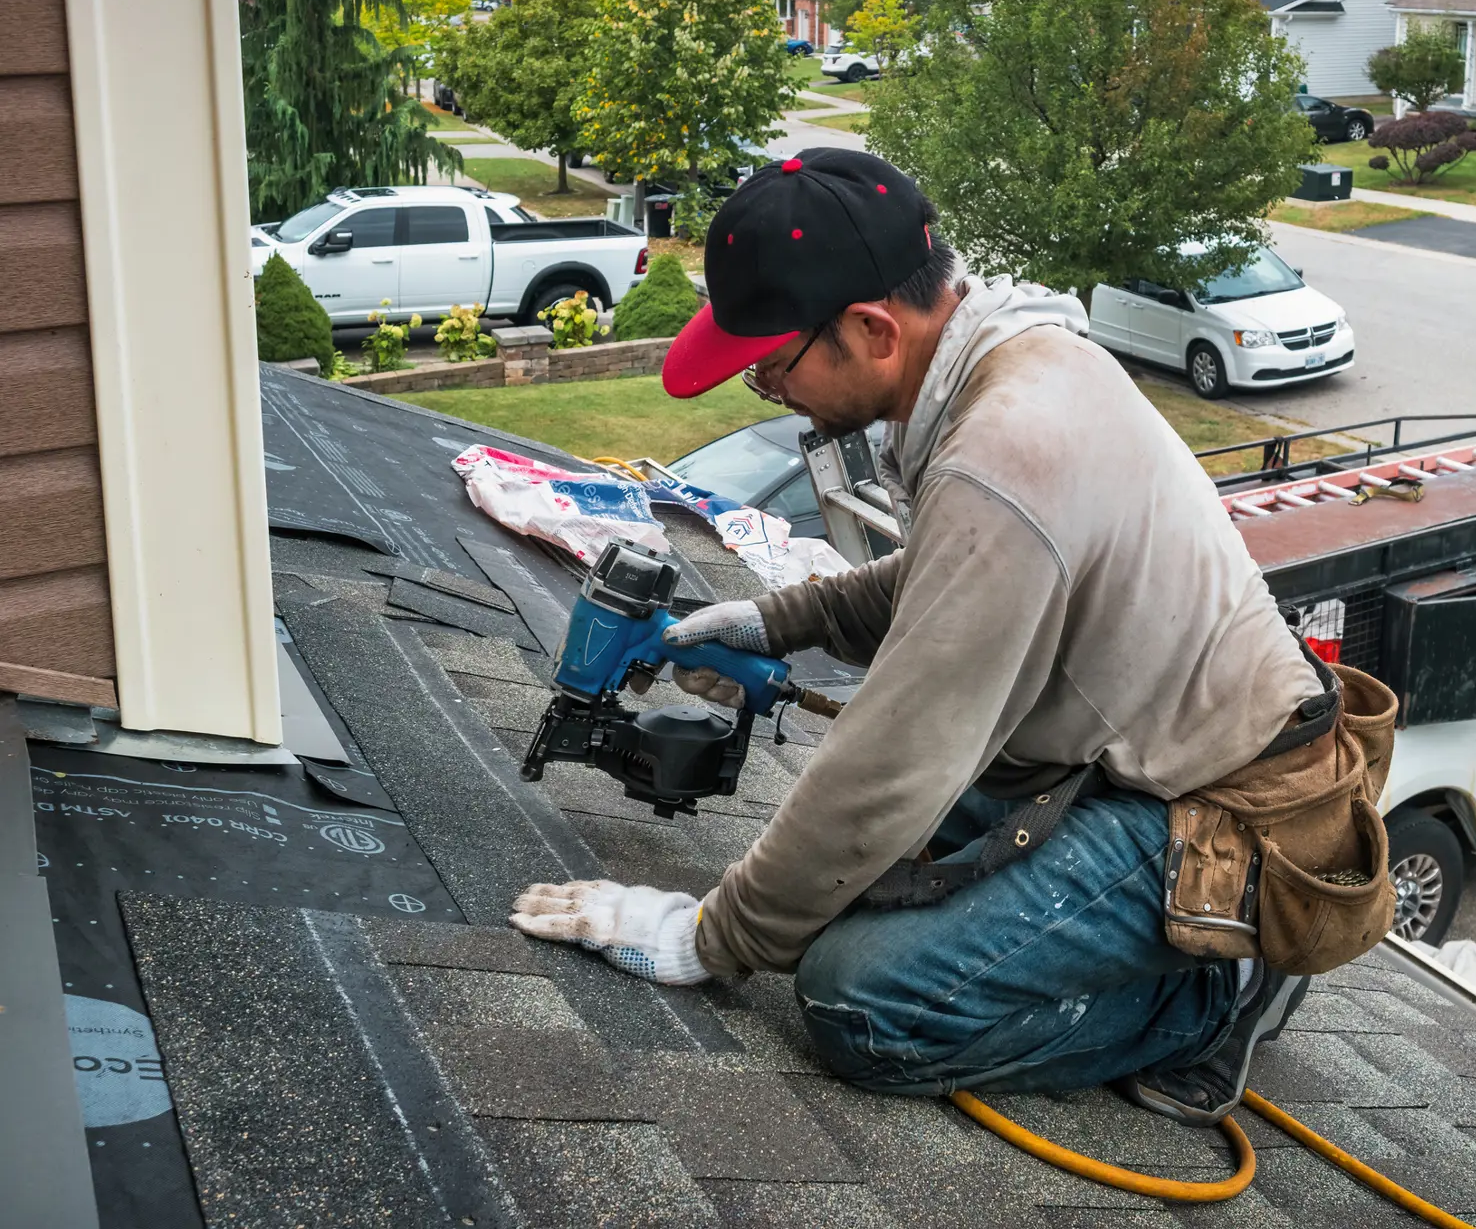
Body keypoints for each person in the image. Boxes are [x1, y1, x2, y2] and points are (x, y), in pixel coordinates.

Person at [509, 148, 1328, 1125]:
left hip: (1217, 809)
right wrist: (778, 616)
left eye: (772, 367)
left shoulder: (1006, 450)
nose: (767, 391)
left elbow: (894, 758)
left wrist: (707, 937)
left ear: (870, 329)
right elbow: (943, 581)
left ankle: (1198, 999)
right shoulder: (1003, 364)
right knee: (845, 884)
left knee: (856, 995)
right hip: (1118, 752)